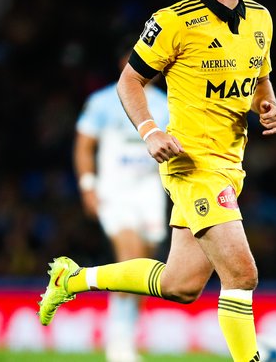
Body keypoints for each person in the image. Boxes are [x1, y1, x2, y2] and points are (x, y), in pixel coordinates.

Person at [38, 0, 276, 362]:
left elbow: (259, 80)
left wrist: (267, 106)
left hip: (231, 165)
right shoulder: (174, 22)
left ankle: (72, 279)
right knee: (242, 275)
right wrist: (150, 131)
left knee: (180, 285)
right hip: (194, 165)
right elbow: (129, 82)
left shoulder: (260, 19)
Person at [73, 50, 170, 362]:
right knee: (130, 257)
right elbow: (84, 145)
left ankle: (127, 337)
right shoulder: (103, 101)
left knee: (146, 267)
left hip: (150, 191)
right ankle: (118, 344)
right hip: (115, 191)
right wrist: (88, 185)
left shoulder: (166, 103)